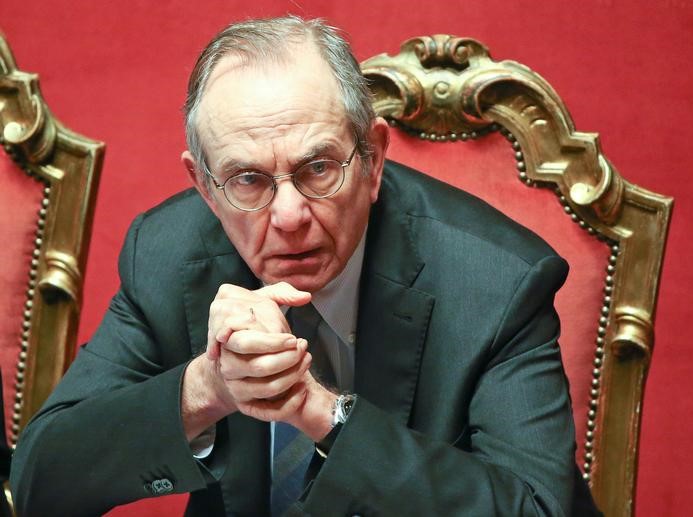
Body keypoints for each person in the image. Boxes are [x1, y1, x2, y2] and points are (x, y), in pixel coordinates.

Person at [11, 16, 597, 516]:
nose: (289, 215)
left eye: (318, 167)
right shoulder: (166, 253)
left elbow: (538, 507)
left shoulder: (497, 280)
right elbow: (40, 479)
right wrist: (205, 389)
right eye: (248, 179)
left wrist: (322, 414)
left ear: (373, 160)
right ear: (205, 189)